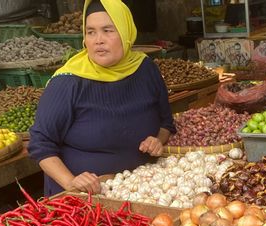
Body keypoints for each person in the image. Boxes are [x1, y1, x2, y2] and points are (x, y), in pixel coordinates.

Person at [28, 0, 176, 196]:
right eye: (91, 32)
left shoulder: (145, 68)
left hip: (141, 188)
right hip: (83, 199)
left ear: (126, 33)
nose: (98, 40)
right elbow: (40, 144)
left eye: (108, 30)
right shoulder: (68, 82)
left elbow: (166, 122)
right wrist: (71, 181)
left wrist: (157, 140)